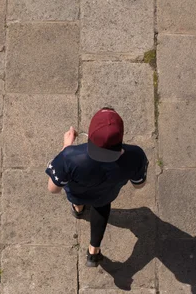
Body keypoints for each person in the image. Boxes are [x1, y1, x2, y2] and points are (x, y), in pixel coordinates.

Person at [45, 107, 149, 267]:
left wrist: (66, 147)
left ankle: (78, 210)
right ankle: (93, 251)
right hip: (106, 194)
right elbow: (139, 185)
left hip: (77, 193)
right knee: (101, 208)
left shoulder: (70, 157)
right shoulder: (136, 156)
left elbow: (53, 188)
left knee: (77, 199)